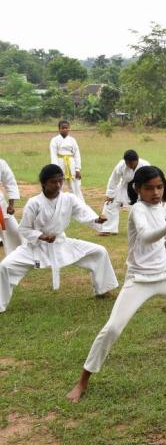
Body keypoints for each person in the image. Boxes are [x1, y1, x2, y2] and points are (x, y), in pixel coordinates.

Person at [66, 165, 166, 402]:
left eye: (159, 187)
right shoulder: (137, 210)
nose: (155, 192)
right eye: (149, 188)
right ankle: (82, 381)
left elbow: (151, 244)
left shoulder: (159, 207)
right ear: (137, 189)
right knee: (112, 329)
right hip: (139, 280)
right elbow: (144, 236)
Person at [0, 165, 118, 313]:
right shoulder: (34, 203)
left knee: (99, 252)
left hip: (61, 243)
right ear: (43, 183)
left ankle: (103, 290)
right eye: (53, 182)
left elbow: (83, 212)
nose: (58, 185)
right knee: (5, 266)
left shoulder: (68, 198)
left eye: (60, 181)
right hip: (36, 247)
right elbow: (24, 229)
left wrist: (96, 219)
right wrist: (41, 236)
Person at [100, 150, 150, 235]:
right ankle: (108, 229)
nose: (129, 165)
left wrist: (146, 194)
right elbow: (114, 179)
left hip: (139, 189)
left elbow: (150, 181)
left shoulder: (145, 166)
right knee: (110, 203)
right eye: (127, 163)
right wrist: (110, 194)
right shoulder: (121, 165)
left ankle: (142, 229)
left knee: (138, 208)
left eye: (131, 163)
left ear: (137, 160)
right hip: (123, 186)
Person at [49, 120, 84, 200]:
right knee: (58, 185)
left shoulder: (72, 140)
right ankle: (57, 202)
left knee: (75, 186)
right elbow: (53, 155)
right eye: (63, 128)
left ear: (69, 129)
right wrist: (55, 170)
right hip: (60, 162)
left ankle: (79, 204)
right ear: (59, 129)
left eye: (66, 128)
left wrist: (77, 169)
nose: (65, 129)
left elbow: (77, 155)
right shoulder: (54, 140)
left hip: (71, 164)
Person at [0, 157, 23, 255]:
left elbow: (10, 183)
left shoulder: (1, 163)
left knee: (14, 232)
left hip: (0, 206)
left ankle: (17, 257)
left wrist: (11, 205)